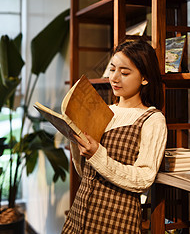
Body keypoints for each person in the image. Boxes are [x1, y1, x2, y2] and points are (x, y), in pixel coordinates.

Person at [62, 39, 167, 234]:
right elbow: (85, 172)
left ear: (145, 77)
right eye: (112, 69)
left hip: (116, 220)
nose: (115, 78)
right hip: (79, 216)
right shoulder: (103, 111)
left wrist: (97, 154)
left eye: (125, 73)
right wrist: (77, 142)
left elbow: (144, 179)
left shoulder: (152, 119)